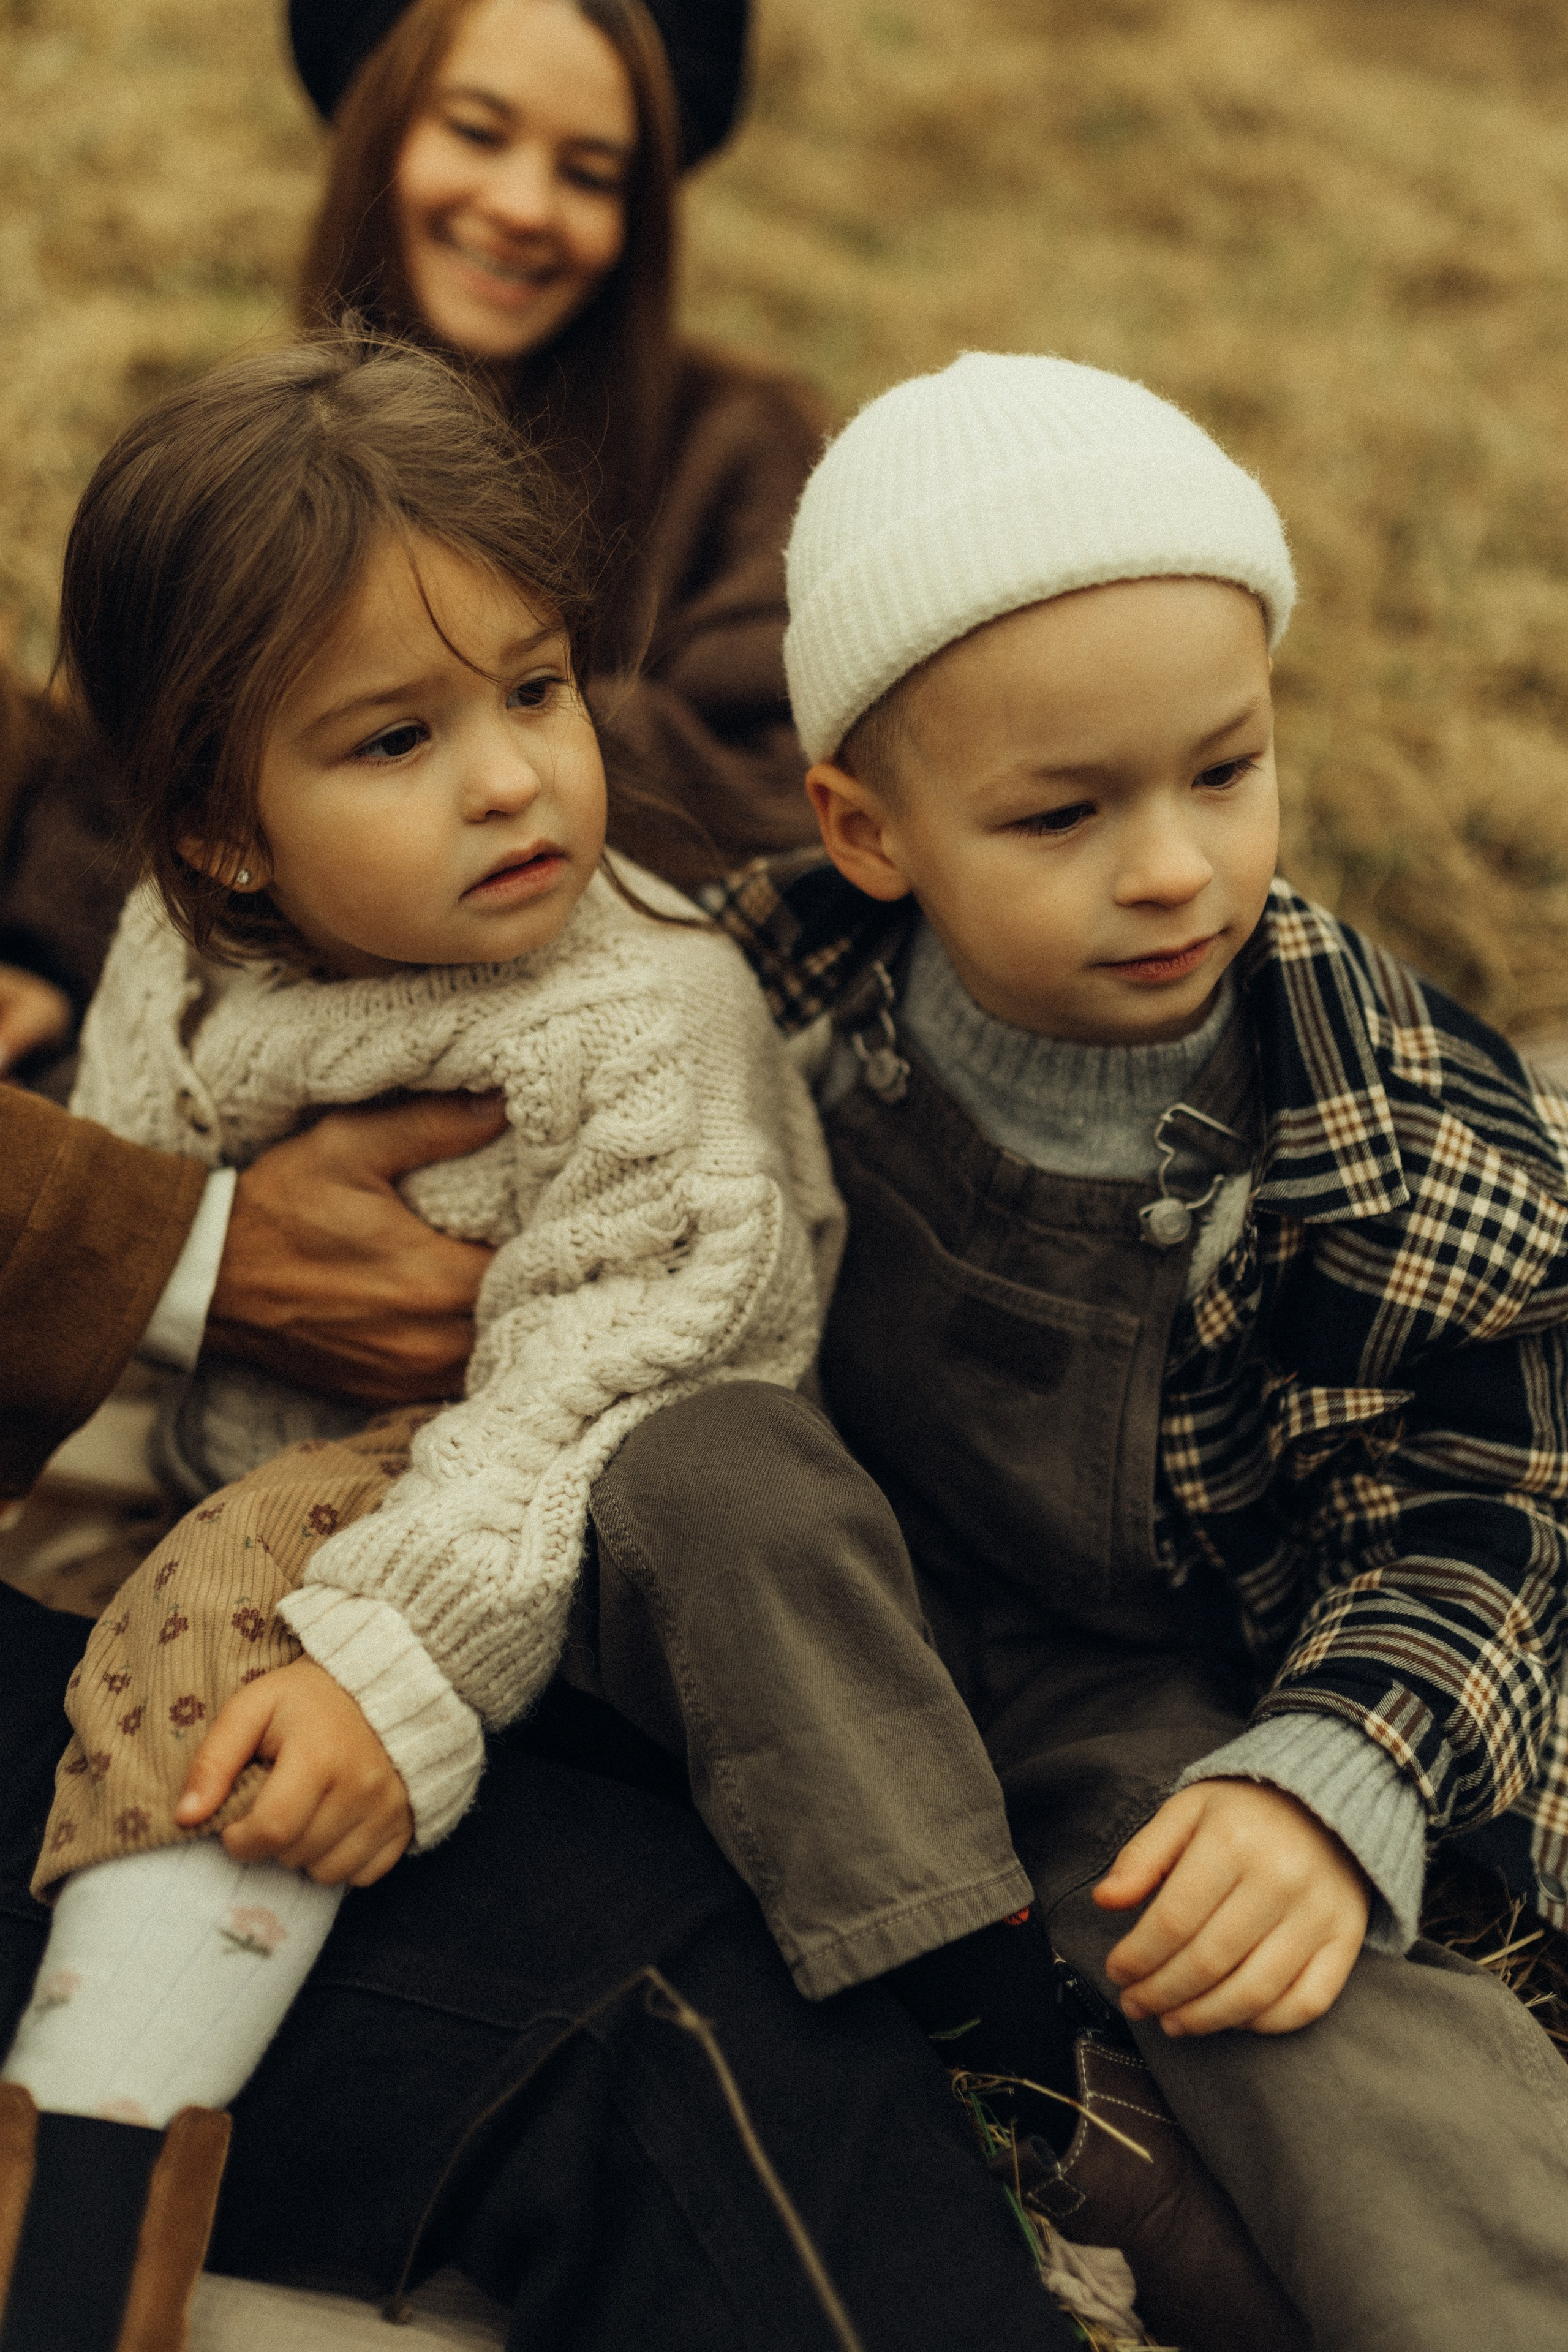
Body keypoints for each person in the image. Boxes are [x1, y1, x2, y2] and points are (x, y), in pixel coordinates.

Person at [597, 351, 1568, 2350]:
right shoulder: (766, 980)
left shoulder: (1392, 1129)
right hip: (829, 1604)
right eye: (1065, 812)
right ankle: (989, 2032)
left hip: (1146, 1673)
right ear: (869, 829)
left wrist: (1333, 1779)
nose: (1174, 866)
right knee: (690, 1471)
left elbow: (1492, 1501)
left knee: (1279, 1984)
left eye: (1225, 771)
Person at [0, 324, 872, 2351]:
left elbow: (621, 1391)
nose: (511, 776)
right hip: (252, 1452)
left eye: (536, 688)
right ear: (222, 831)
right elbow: (136, 1179)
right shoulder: (184, 941)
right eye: (397, 740)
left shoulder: (635, 1020)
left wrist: (390, 1682)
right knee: (119, 1564)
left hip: (544, 1542)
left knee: (223, 1652)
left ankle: (84, 2204)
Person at [289, 0, 824, 883]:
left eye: (589, 175)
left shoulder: (743, 449)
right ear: (378, 128)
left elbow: (801, 778)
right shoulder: (256, 457)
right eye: (476, 132)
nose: (525, 207)